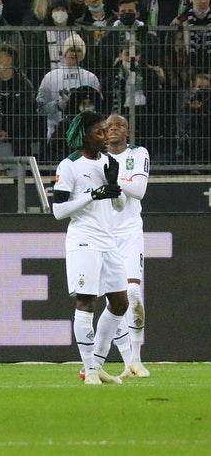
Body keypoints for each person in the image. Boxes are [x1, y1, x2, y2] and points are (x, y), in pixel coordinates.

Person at [51, 111, 128, 385]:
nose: (106, 136)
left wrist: (114, 185)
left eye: (106, 130)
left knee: (120, 303)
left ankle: (97, 363)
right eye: (100, 132)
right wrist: (92, 195)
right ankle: (90, 371)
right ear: (85, 136)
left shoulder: (108, 162)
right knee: (86, 302)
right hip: (84, 240)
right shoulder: (69, 166)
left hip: (108, 240)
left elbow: (119, 205)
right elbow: (59, 210)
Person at [105, 114, 151, 378]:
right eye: (109, 126)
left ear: (127, 131)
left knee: (133, 292)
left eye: (119, 126)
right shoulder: (97, 158)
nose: (113, 129)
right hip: (103, 235)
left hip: (130, 233)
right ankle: (127, 363)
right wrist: (123, 181)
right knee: (115, 301)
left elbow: (139, 190)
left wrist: (112, 180)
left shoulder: (138, 153)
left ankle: (137, 357)